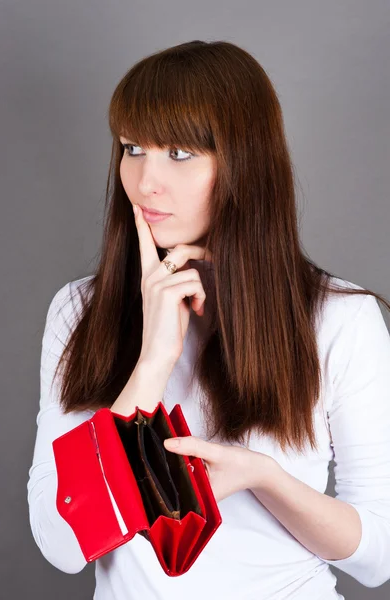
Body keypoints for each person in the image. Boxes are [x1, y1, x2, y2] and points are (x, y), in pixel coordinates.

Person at [27, 39, 390, 599]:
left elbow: (378, 557)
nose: (146, 181)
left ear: (247, 163)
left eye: (179, 153)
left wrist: (263, 477)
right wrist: (151, 365)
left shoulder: (340, 318)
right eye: (132, 148)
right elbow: (61, 544)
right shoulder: (80, 311)